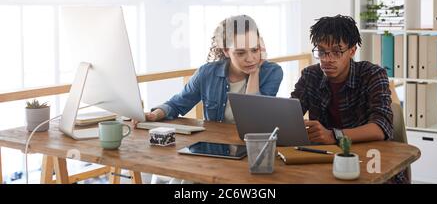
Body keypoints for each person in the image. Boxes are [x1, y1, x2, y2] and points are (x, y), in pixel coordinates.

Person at [291, 14, 407, 183]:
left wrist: (333, 136)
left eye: (337, 52)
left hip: (371, 161)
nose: (327, 59)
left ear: (352, 51)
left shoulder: (373, 75)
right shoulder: (311, 75)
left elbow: (380, 128)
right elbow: (290, 114)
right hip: (326, 162)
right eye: (321, 51)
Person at [141, 14, 283, 124]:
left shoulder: (271, 72)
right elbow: (177, 104)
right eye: (241, 53)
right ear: (226, 51)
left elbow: (254, 118)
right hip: (215, 148)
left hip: (252, 147)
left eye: (255, 50)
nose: (251, 58)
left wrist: (255, 71)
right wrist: (155, 114)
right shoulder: (207, 73)